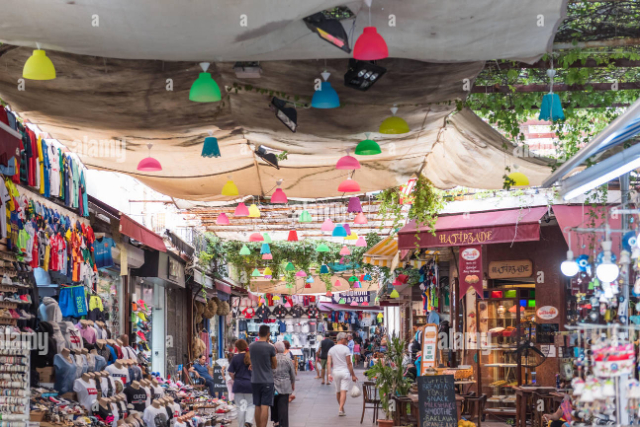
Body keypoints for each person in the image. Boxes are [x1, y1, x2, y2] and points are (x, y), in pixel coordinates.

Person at [249, 325, 277, 427]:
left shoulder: (251, 346)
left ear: (258, 333)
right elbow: (274, 365)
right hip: (267, 380)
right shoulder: (270, 347)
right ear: (268, 334)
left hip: (255, 380)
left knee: (257, 405)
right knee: (265, 405)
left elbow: (251, 361)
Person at [327, 332, 358, 416]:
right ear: (341, 339)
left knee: (338, 391)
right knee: (343, 391)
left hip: (336, 372)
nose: (346, 340)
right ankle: (340, 409)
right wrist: (353, 375)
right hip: (345, 372)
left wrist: (329, 374)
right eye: (345, 338)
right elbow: (349, 363)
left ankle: (341, 408)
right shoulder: (346, 349)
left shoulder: (331, 349)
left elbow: (329, 363)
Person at [228, 339, 254, 427]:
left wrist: (235, 378)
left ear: (237, 348)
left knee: (240, 407)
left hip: (238, 385)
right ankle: (248, 421)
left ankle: (241, 425)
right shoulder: (251, 357)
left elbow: (231, 372)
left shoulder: (235, 358)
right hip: (250, 385)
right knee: (250, 405)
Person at [271, 342, 295, 427]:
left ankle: (276, 422)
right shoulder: (288, 359)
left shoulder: (272, 359)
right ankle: (284, 424)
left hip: (274, 386)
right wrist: (292, 384)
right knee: (284, 407)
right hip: (285, 386)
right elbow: (292, 374)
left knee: (274, 405)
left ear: (275, 349)